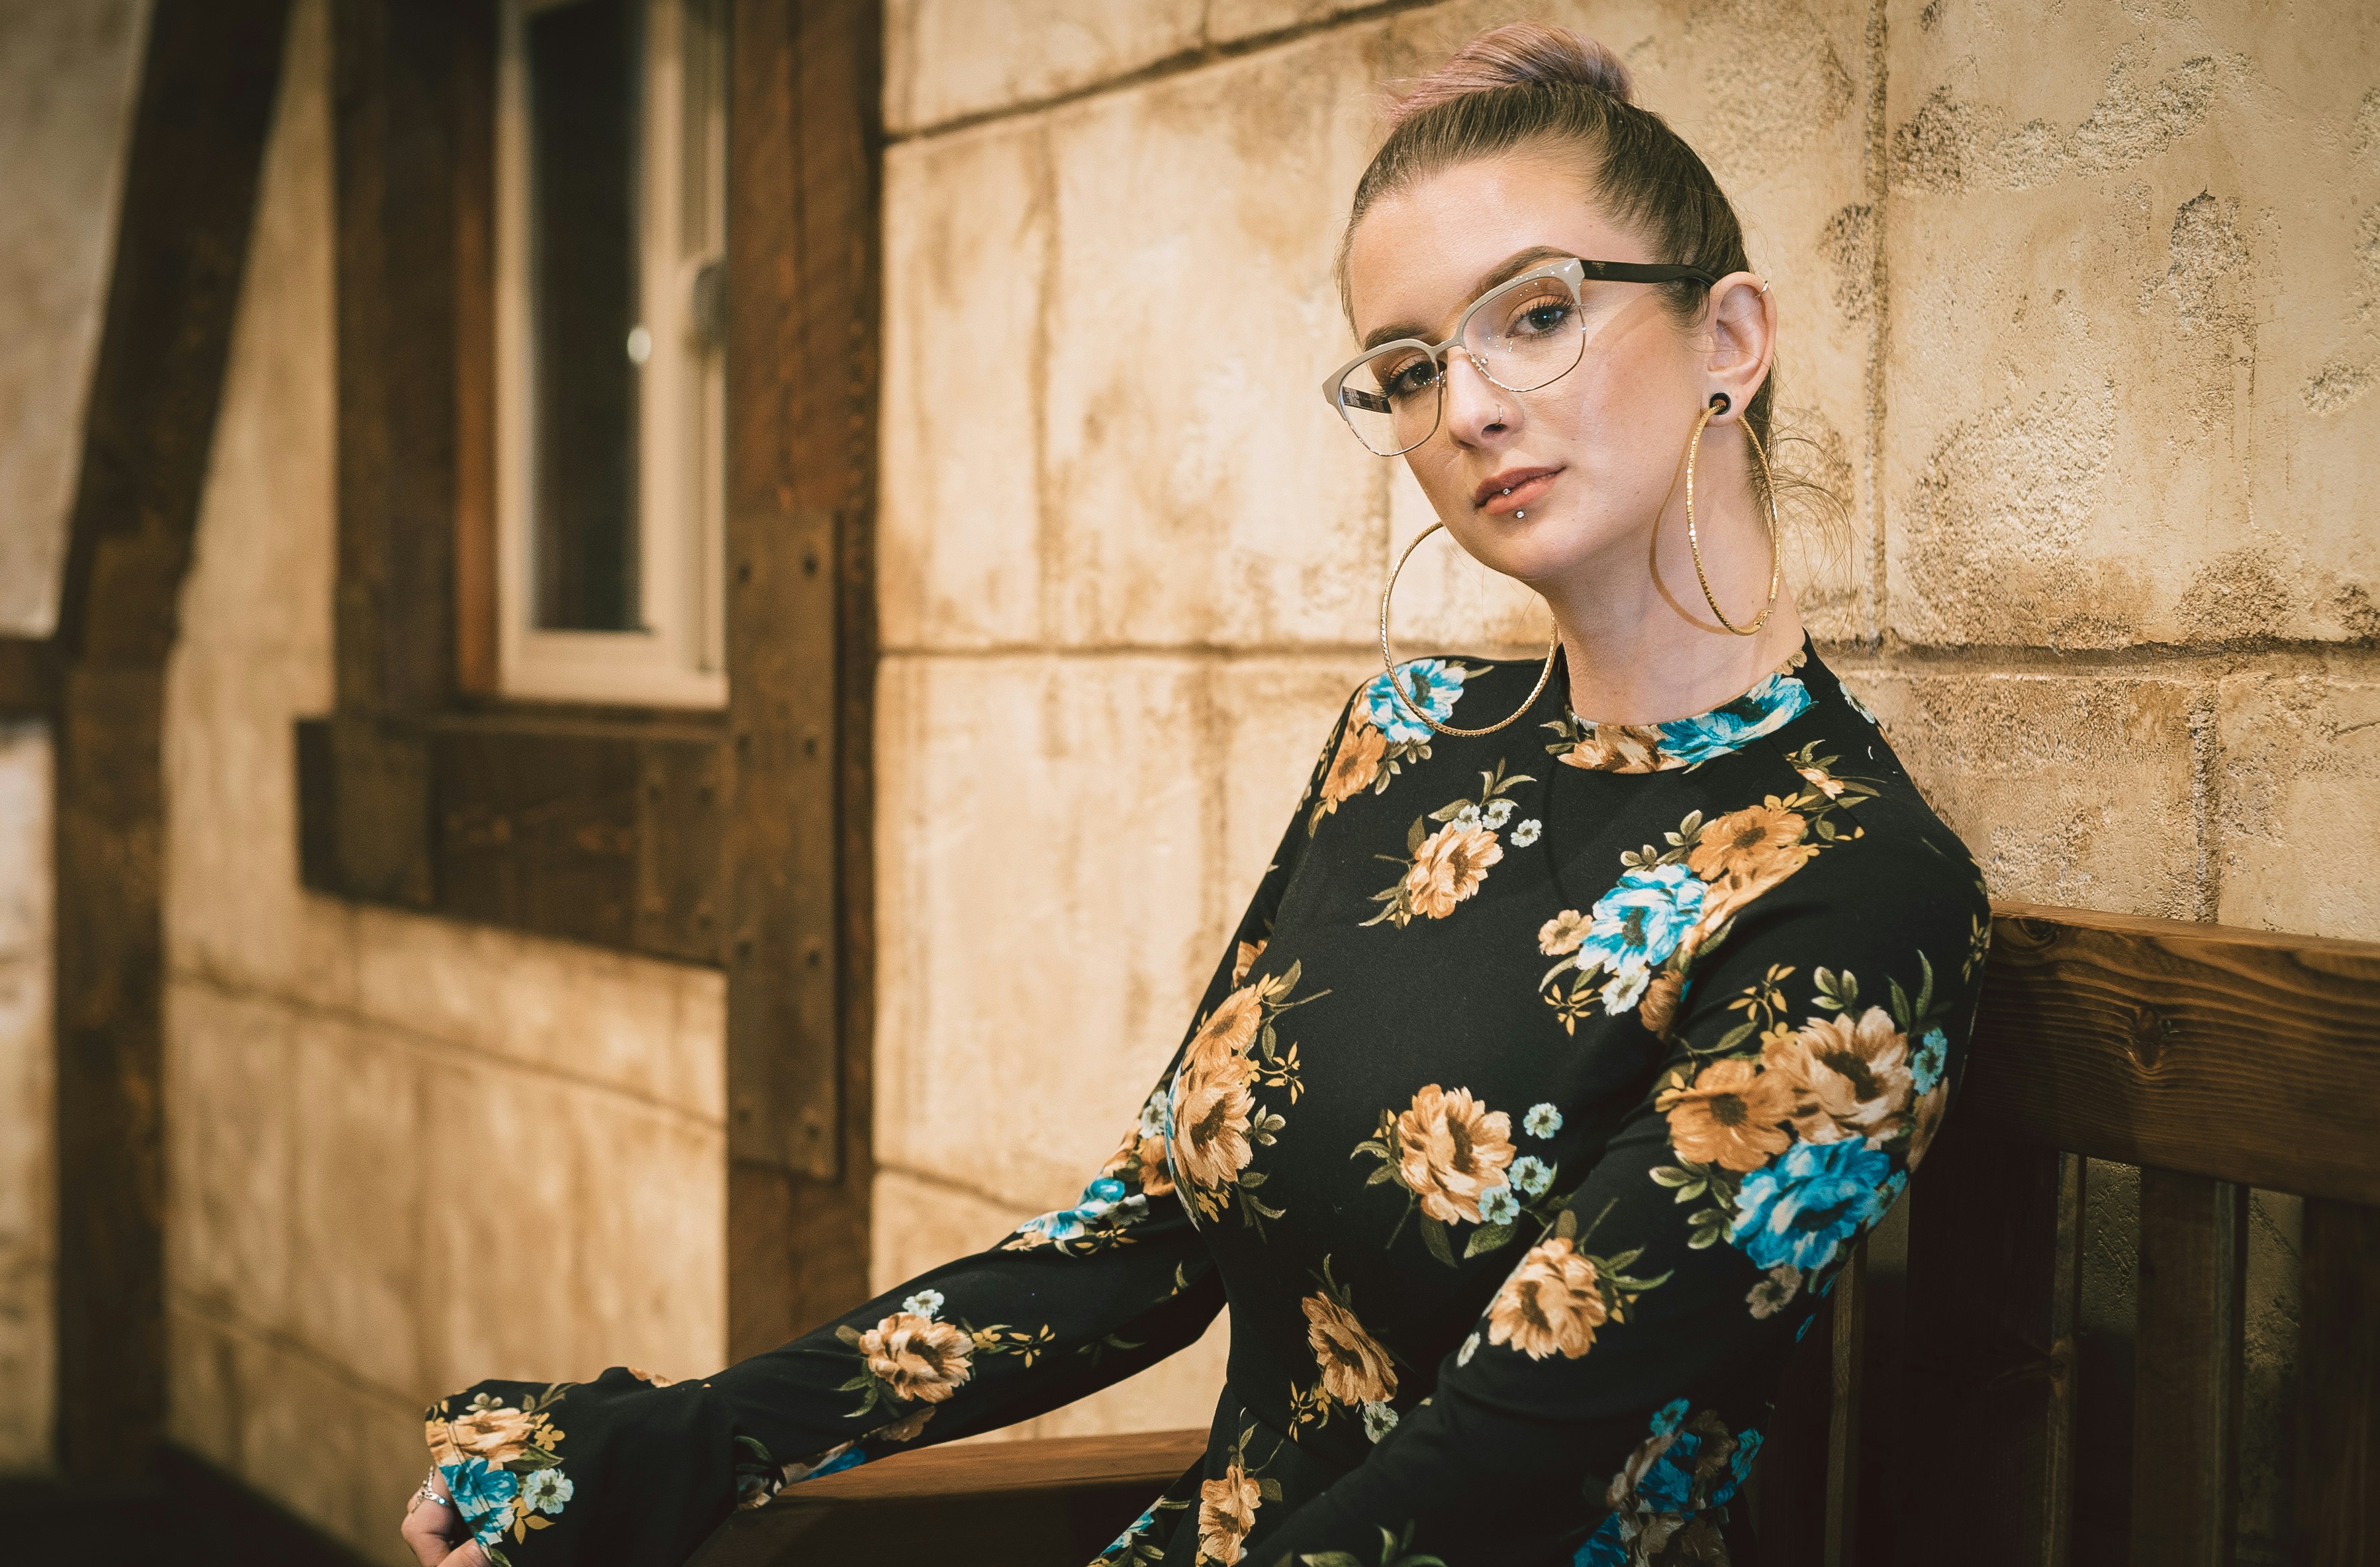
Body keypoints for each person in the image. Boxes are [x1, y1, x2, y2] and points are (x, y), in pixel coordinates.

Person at [403, 21, 1986, 1567]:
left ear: (1729, 337)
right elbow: (1141, 1239)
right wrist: (669, 1447)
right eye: (1411, 364)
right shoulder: (1408, 736)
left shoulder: (1855, 885)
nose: (1469, 407)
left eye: (1537, 313)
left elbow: (1508, 1466)